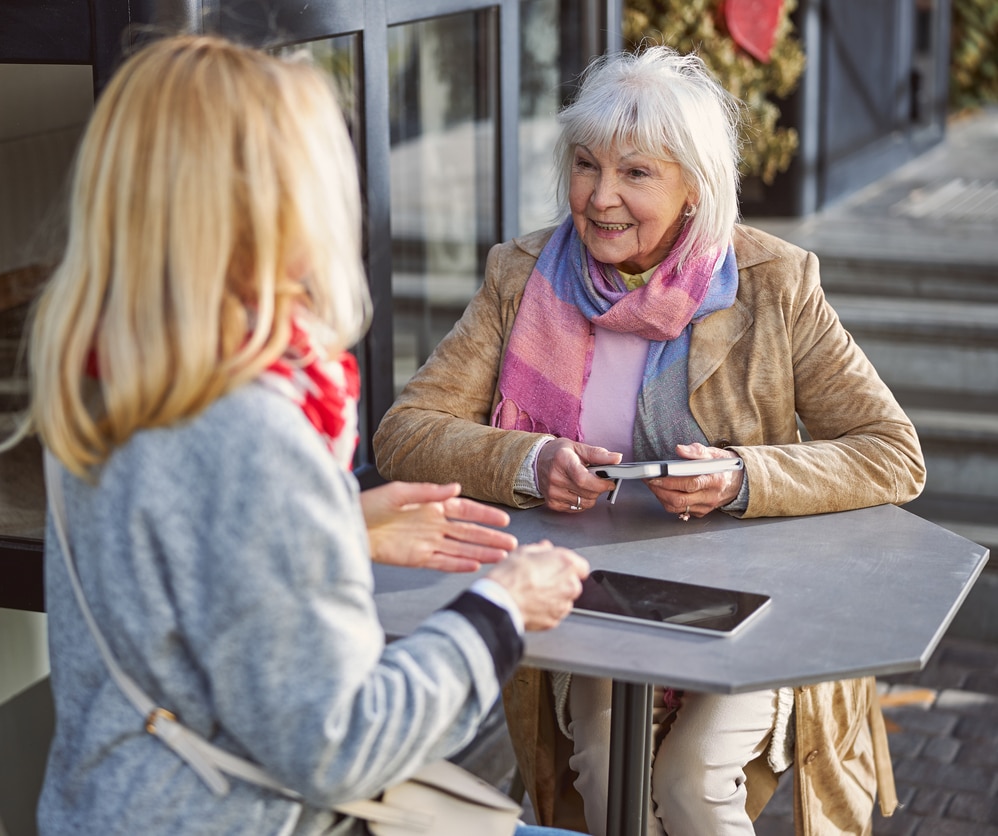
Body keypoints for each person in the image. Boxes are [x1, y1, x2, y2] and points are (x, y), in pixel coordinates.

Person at [11, 34, 593, 835]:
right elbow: (340, 746)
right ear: (270, 209)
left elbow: (171, 590)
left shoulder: (110, 379)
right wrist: (503, 606)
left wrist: (337, 529)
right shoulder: (250, 430)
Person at [373, 45, 925, 835]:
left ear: (695, 187)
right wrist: (529, 462)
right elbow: (406, 434)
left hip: (751, 599)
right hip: (590, 593)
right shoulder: (522, 273)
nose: (600, 198)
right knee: (604, 768)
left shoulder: (774, 281)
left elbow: (891, 451)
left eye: (636, 174)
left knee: (692, 781)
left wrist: (742, 476)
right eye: (587, 165)